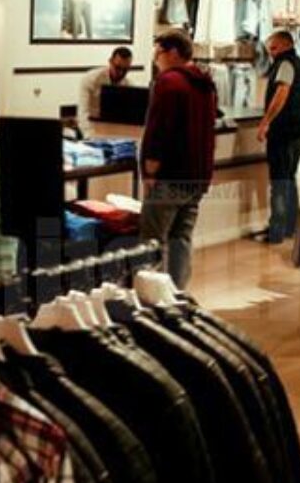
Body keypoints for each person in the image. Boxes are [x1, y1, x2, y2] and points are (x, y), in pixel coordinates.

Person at [139, 29, 217, 289]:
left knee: (152, 241)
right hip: (198, 174)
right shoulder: (205, 83)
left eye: (158, 52)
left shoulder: (169, 82)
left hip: (170, 174)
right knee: (181, 238)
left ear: (172, 52)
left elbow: (159, 129)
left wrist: (150, 170)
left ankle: (152, 297)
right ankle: (177, 294)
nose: (156, 59)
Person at [257, 30, 300, 243]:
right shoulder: (299, 64)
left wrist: (266, 121)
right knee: (289, 177)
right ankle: (291, 226)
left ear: (285, 46)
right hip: (298, 129)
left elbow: (282, 93)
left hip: (284, 129)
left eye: (273, 48)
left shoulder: (285, 64)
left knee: (280, 179)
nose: (271, 53)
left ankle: (277, 230)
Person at [76, 45, 133, 134]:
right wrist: (90, 136)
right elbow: (83, 114)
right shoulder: (91, 79)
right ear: (110, 62)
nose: (121, 73)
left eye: (125, 70)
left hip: (115, 131)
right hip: (92, 128)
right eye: (117, 68)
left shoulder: (128, 85)